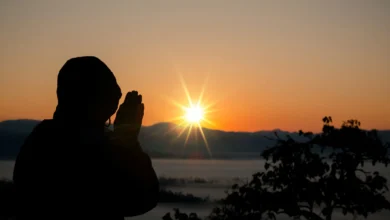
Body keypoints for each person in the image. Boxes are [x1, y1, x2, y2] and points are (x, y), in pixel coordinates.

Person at [12, 56, 159, 219]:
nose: (104, 125)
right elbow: (137, 199)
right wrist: (128, 142)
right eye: (104, 115)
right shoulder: (49, 146)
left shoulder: (43, 140)